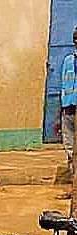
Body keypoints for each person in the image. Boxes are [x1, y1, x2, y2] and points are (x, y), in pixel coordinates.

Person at [57, 27, 77, 200]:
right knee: (70, 151)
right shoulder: (68, 61)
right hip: (68, 110)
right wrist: (60, 114)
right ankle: (74, 190)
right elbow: (63, 87)